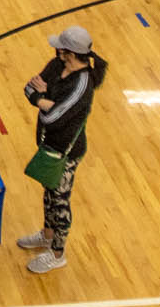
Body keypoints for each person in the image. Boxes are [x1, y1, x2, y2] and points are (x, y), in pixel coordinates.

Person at [16, 28, 107, 273]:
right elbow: (29, 89)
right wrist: (44, 100)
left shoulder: (82, 85)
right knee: (49, 191)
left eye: (61, 48)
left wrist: (42, 97)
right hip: (49, 143)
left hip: (66, 152)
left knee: (60, 201)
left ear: (72, 53)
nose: (56, 50)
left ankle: (57, 253)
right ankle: (47, 235)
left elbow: (52, 118)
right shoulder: (57, 65)